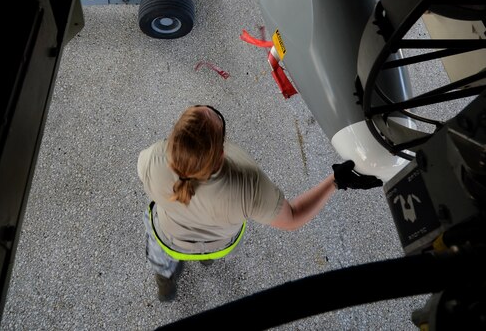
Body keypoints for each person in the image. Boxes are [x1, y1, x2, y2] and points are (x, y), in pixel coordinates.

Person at [137, 104, 382, 302]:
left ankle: (165, 285)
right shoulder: (247, 184)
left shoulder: (152, 159)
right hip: (218, 243)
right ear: (220, 155)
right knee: (208, 252)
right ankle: (206, 259)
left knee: (160, 260)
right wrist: (336, 181)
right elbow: (293, 217)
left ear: (174, 139)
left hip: (168, 238)